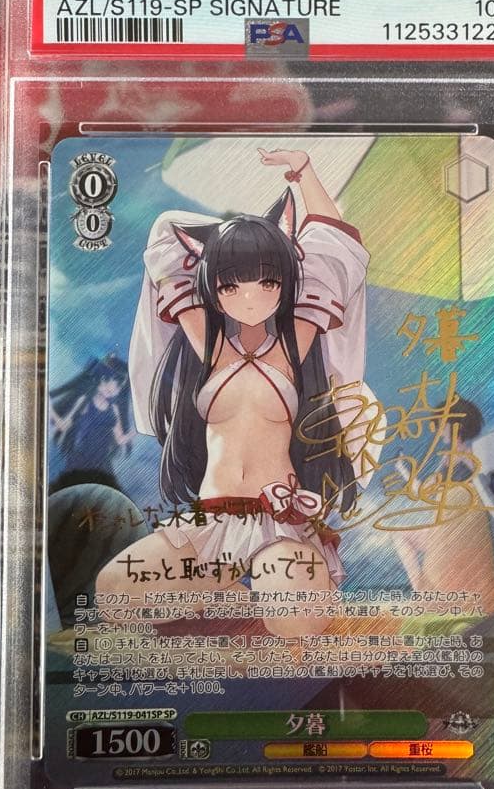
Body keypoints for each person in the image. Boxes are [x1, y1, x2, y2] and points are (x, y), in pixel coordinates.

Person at [96, 148, 375, 636]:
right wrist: (230, 238)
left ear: (286, 281)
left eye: (267, 282)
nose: (250, 298)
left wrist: (304, 171)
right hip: (210, 523)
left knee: (296, 624)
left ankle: (263, 587)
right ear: (212, 286)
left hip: (278, 520)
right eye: (230, 286)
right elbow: (164, 235)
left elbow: (334, 242)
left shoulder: (294, 344)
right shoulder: (206, 344)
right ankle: (226, 586)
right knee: (113, 595)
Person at [48, 353, 135, 491]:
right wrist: (49, 408)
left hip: (102, 464)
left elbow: (120, 439)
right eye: (106, 380)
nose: (111, 388)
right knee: (77, 494)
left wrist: (137, 430)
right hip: (80, 461)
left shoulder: (114, 408)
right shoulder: (84, 401)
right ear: (98, 378)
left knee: (103, 497)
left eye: (118, 386)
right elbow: (64, 426)